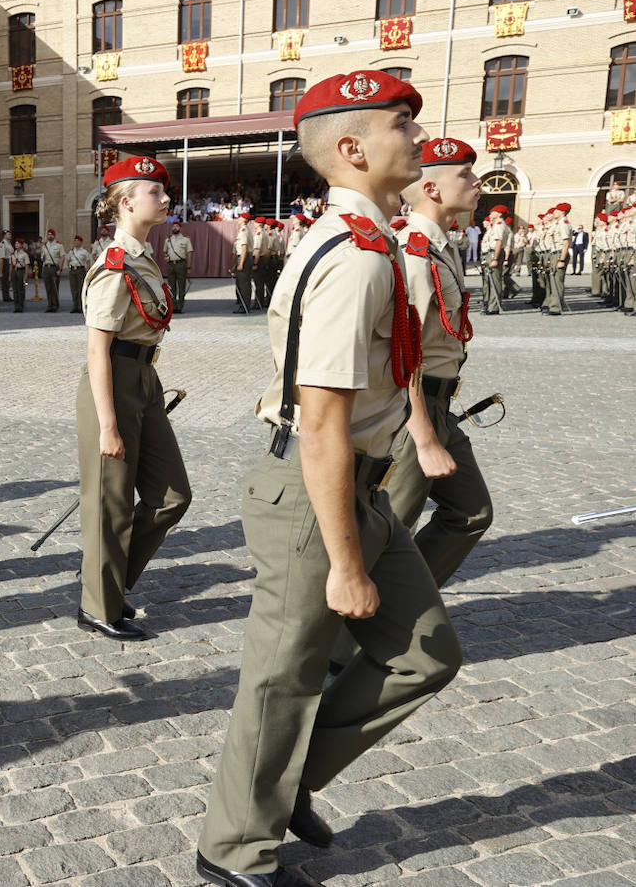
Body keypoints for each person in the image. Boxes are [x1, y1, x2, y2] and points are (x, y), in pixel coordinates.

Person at [197, 71, 462, 887]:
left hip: (364, 487)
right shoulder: (354, 257)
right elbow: (320, 423)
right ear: (351, 149)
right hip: (315, 495)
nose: (418, 138)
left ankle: (284, 785)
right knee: (283, 678)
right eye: (400, 126)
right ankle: (233, 849)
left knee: (425, 653)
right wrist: (346, 563)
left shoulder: (375, 243)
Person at [75, 158, 191, 641]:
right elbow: (97, 349)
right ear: (126, 202)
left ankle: (112, 581)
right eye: (155, 192)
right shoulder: (114, 264)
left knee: (172, 497)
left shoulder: (143, 256)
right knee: (111, 503)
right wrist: (107, 424)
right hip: (114, 381)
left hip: (145, 378)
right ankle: (99, 606)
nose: (165, 199)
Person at [390, 137, 494, 586]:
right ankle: (344, 648)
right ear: (431, 189)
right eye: (465, 175)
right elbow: (401, 355)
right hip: (412, 411)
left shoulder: (441, 246)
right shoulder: (414, 252)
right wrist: (425, 437)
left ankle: (402, 609)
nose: (477, 182)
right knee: (390, 527)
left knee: (472, 511)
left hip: (439, 405)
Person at [543, 203, 573, 316]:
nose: (554, 212)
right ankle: (553, 303)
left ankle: (556, 307)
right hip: (555, 253)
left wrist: (562, 260)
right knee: (553, 281)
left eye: (557, 210)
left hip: (560, 253)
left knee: (557, 281)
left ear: (562, 212)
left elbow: (566, 242)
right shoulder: (558, 223)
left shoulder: (563, 223)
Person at [164, 222, 193, 314]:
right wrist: (166, 256)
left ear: (180, 228)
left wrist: (188, 267)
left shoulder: (185, 240)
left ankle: (180, 306)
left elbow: (189, 253)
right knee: (171, 287)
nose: (175, 228)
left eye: (177, 226)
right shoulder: (168, 240)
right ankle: (173, 306)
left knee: (181, 286)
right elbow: (165, 251)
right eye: (173, 226)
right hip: (170, 265)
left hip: (181, 264)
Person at [232, 213, 254, 313]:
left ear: (244, 219)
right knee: (243, 282)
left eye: (240, 217)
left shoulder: (243, 230)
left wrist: (241, 263)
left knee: (243, 283)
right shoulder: (244, 230)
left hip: (244, 257)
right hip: (245, 257)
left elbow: (244, 248)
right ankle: (244, 305)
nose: (238, 219)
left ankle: (244, 306)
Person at [40, 229, 65, 312]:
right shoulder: (44, 246)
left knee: (54, 287)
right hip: (46, 267)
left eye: (51, 234)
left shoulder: (59, 246)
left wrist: (60, 269)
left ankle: (55, 305)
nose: (50, 236)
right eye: (48, 234)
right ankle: (49, 305)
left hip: (54, 267)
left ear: (54, 236)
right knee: (48, 287)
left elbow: (62, 257)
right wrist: (42, 256)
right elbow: (42, 258)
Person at [66, 235, 90, 314]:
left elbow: (87, 262)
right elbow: (68, 260)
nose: (76, 242)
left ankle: (80, 306)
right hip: (73, 270)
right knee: (73, 289)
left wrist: (87, 271)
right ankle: (75, 306)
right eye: (75, 240)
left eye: (77, 240)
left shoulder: (84, 252)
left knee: (80, 288)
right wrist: (69, 267)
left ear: (81, 242)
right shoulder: (71, 251)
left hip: (80, 270)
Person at [9, 238, 30, 313]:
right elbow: (11, 264)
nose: (16, 245)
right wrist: (10, 275)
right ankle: (16, 306)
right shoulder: (13, 254)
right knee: (15, 290)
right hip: (14, 271)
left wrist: (26, 275)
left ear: (21, 245)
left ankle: (21, 306)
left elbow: (27, 265)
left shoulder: (24, 254)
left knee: (21, 289)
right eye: (15, 243)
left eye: (18, 244)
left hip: (21, 271)